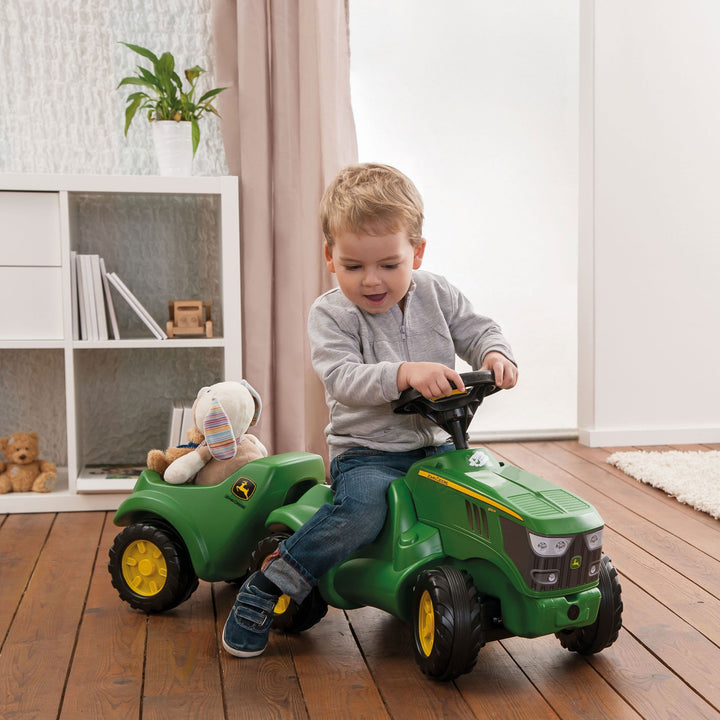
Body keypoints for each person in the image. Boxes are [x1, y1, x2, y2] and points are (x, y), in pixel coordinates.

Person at [222, 163, 518, 657]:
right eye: (354, 266)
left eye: (389, 264)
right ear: (330, 257)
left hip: (441, 446)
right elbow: (341, 377)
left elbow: (479, 328)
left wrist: (495, 354)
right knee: (363, 509)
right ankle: (268, 586)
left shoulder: (439, 294)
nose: (372, 280)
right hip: (368, 453)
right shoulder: (331, 314)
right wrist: (403, 373)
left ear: (416, 254)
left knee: (490, 495)